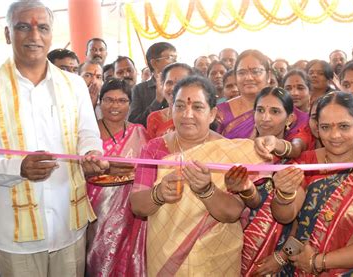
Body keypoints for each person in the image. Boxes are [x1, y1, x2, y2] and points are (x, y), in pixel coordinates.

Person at [0, 1, 109, 276]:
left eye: (43, 28)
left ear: (51, 34)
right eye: (23, 27)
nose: (34, 35)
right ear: (7, 34)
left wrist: (91, 154)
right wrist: (18, 168)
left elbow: (87, 133)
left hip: (68, 224)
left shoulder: (73, 84)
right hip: (15, 232)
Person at [129, 75, 265, 276]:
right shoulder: (155, 149)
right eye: (180, 106)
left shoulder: (228, 152)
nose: (187, 114)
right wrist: (158, 194)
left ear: (213, 114)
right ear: (171, 109)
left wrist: (207, 190)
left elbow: (232, 212)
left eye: (198, 107)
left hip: (216, 257)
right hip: (166, 254)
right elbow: (137, 206)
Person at [271, 92, 353, 275]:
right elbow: (286, 216)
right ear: (317, 128)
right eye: (325, 127)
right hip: (300, 267)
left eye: (344, 126)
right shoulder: (306, 163)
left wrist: (318, 261)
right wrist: (283, 194)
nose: (334, 135)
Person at [227, 87, 301, 276]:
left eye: (275, 111)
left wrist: (282, 257)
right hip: (234, 251)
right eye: (260, 110)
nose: (265, 118)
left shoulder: (298, 163)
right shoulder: (239, 154)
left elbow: (306, 219)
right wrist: (245, 189)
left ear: (290, 119)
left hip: (279, 259)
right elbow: (253, 203)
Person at [86, 79, 149, 276]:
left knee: (127, 258)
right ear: (100, 102)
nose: (115, 106)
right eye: (109, 100)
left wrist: (131, 171)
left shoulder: (139, 131)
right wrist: (105, 170)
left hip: (131, 209)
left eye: (122, 101)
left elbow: (148, 170)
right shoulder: (88, 133)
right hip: (95, 209)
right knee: (95, 258)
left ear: (130, 104)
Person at [128, 42, 177, 126]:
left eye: (175, 58)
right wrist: (157, 101)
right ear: (154, 63)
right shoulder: (139, 89)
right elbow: (134, 123)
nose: (175, 61)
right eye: (170, 57)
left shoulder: (181, 87)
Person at [146, 63, 194, 139]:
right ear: (162, 85)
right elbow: (150, 149)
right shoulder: (154, 118)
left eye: (180, 83)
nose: (173, 88)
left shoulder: (199, 115)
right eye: (169, 83)